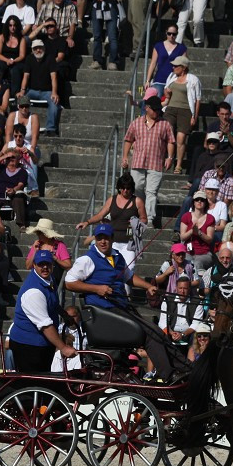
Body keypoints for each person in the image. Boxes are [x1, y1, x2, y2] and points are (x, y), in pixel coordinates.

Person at [64, 223, 186, 381]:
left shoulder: (116, 256)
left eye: (106, 238)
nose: (103, 242)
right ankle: (169, 375)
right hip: (105, 313)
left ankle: (184, 367)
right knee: (149, 334)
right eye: (99, 238)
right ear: (95, 239)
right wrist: (96, 289)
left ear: (112, 239)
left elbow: (128, 277)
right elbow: (69, 282)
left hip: (121, 309)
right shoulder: (87, 260)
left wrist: (148, 286)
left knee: (157, 331)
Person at [9, 249, 75, 371]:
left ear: (52, 265)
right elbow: (45, 325)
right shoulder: (33, 292)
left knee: (43, 379)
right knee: (33, 383)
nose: (45, 267)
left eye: (48, 264)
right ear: (34, 265)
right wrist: (63, 348)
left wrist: (64, 315)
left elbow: (52, 302)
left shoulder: (49, 280)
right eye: (40, 264)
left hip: (42, 343)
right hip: (29, 345)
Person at [121, 95, 174, 227]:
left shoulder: (165, 124)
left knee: (151, 191)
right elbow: (128, 139)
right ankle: (140, 213)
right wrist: (125, 156)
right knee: (137, 188)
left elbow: (171, 141)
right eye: (154, 109)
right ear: (147, 108)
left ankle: (149, 219)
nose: (157, 112)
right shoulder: (136, 123)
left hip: (156, 163)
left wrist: (170, 157)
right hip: (138, 161)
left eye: (158, 109)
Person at [75, 174, 146, 270]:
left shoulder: (137, 201)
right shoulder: (112, 199)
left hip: (129, 243)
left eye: (128, 188)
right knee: (110, 268)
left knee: (129, 268)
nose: (125, 190)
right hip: (112, 241)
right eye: (123, 188)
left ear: (132, 188)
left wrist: (136, 222)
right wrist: (87, 222)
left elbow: (144, 219)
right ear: (119, 188)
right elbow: (100, 215)